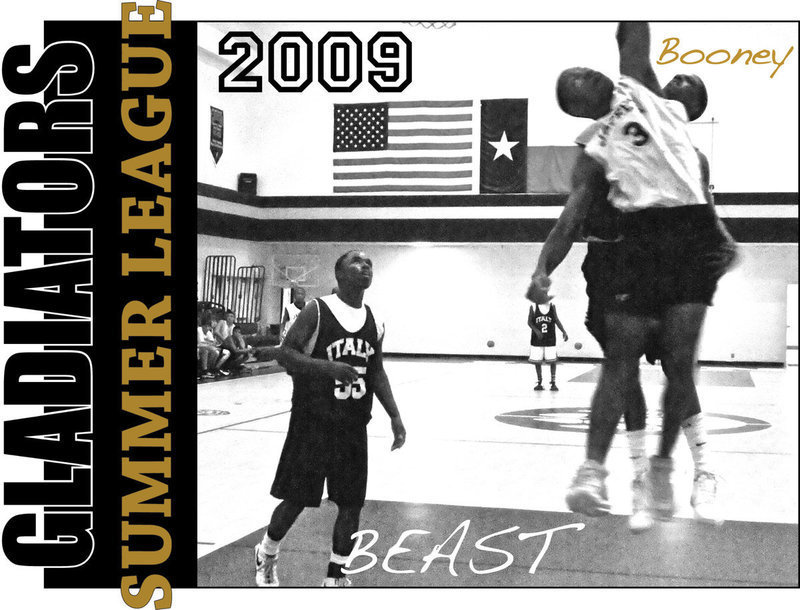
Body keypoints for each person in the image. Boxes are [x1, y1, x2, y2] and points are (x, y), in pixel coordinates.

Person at [527, 22, 736, 523]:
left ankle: (695, 470)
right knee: (623, 371)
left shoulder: (679, 140)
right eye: (578, 78)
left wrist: (721, 238)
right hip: (619, 259)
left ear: (689, 107)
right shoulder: (598, 141)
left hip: (677, 245)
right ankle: (633, 475)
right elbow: (570, 219)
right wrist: (542, 269)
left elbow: (704, 209)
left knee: (679, 366)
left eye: (686, 84)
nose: (587, 74)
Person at [254, 250, 407, 587]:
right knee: (297, 499)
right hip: (313, 423)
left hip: (353, 426)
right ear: (339, 274)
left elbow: (376, 371)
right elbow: (285, 354)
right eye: (357, 262)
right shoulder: (318, 310)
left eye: (369, 263)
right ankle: (267, 552)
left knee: (351, 504)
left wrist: (395, 415)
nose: (365, 267)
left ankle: (335, 577)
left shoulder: (375, 319)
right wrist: (328, 368)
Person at [528, 301, 568, 391]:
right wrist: (536, 331)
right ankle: (539, 382)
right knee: (537, 361)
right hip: (537, 340)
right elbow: (529, 322)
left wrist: (563, 331)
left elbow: (556, 320)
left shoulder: (552, 306)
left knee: (552, 361)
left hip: (550, 339)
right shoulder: (533, 306)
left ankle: (553, 382)